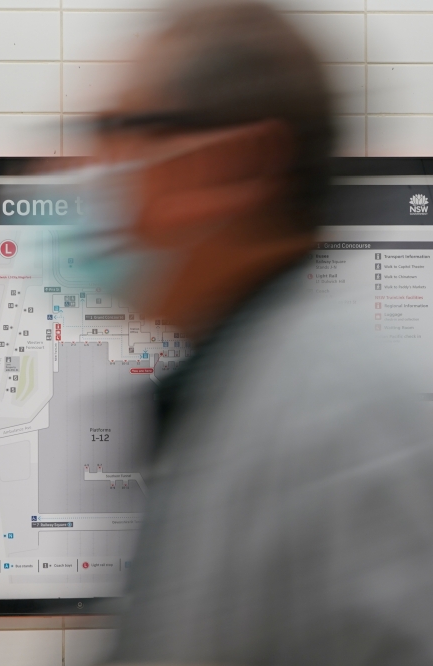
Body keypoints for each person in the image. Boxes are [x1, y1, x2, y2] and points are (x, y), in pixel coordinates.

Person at [86, 2, 433, 664]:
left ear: (236, 163)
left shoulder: (353, 419)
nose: (89, 168)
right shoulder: (232, 384)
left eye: (121, 129)